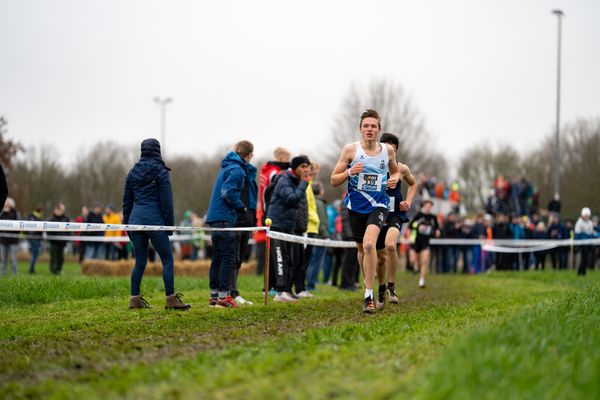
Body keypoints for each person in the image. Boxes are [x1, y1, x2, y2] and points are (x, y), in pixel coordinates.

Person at [330, 109, 400, 313]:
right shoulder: (350, 150)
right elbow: (334, 180)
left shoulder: (388, 151)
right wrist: (350, 171)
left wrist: (394, 178)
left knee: (370, 245)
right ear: (360, 129)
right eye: (366, 126)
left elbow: (395, 173)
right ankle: (368, 280)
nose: (369, 129)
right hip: (355, 208)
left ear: (379, 129)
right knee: (362, 250)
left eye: (373, 126)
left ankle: (368, 296)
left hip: (378, 206)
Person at [123, 138, 190, 310]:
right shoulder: (161, 172)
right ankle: (170, 299)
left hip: (135, 221)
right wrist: (169, 226)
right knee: (167, 260)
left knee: (139, 262)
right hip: (155, 221)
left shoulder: (131, 173)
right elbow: (167, 202)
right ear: (157, 151)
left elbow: (127, 203)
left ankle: (134, 299)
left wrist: (127, 226)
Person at [206, 140, 254, 308]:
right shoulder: (237, 170)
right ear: (249, 155)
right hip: (225, 217)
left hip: (215, 216)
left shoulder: (226, 166)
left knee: (218, 256)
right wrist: (241, 207)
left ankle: (214, 296)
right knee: (228, 257)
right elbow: (228, 193)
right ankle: (224, 297)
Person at [374, 132, 417, 310]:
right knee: (380, 258)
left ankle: (392, 288)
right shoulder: (374, 167)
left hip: (395, 214)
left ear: (396, 150)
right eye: (385, 148)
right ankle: (381, 288)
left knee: (391, 246)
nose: (389, 151)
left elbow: (413, 184)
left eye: (392, 148)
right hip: (376, 213)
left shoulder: (402, 168)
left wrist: (408, 201)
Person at [267, 155, 310, 302]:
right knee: (280, 258)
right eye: (302, 167)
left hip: (288, 225)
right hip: (277, 224)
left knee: (288, 259)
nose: (306, 170)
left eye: (307, 167)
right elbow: (291, 199)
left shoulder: (295, 180)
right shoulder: (284, 179)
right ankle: (280, 291)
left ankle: (286, 289)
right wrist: (304, 183)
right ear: (295, 168)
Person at [255, 147, 291, 278]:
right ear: (281, 157)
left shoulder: (267, 170)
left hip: (268, 212)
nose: (288, 161)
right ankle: (272, 284)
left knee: (272, 251)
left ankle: (271, 283)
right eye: (287, 158)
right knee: (275, 252)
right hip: (273, 213)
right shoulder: (274, 172)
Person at [230, 141, 258, 305]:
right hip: (236, 219)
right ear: (250, 155)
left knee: (239, 257)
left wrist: (253, 221)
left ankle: (233, 291)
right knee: (233, 258)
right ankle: (231, 292)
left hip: (247, 220)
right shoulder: (235, 170)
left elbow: (252, 199)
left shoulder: (249, 173)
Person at [408, 200, 440, 288]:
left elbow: (436, 227)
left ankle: (421, 280)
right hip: (416, 241)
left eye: (430, 206)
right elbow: (410, 226)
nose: (428, 208)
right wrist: (418, 226)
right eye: (427, 206)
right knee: (413, 261)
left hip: (426, 241)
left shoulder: (433, 217)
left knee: (425, 260)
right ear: (424, 206)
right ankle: (415, 266)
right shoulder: (418, 215)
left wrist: (437, 232)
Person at [47, 203, 69, 275]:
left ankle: (59, 270)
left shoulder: (65, 218)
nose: (61, 211)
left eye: (62, 210)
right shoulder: (51, 219)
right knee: (54, 258)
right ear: (56, 210)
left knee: (61, 258)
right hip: (54, 242)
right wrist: (51, 239)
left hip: (62, 242)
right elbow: (48, 231)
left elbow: (69, 230)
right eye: (60, 210)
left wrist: (66, 240)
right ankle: (53, 271)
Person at [0, 198, 21, 275]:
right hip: (2, 240)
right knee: (3, 258)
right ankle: (2, 273)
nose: (5, 205)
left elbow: (19, 226)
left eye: (7, 204)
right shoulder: (1, 213)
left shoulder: (16, 213)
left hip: (13, 240)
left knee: (13, 258)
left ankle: (14, 274)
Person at [574, 207, 594, 276]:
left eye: (588, 215)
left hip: (588, 243)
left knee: (585, 259)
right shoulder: (579, 222)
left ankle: (582, 272)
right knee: (583, 258)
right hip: (581, 244)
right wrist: (577, 245)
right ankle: (581, 272)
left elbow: (591, 234)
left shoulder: (590, 223)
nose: (587, 217)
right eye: (585, 215)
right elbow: (577, 234)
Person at [27, 205, 44, 274]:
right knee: (35, 254)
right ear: (40, 211)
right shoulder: (36, 218)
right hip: (35, 239)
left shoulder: (31, 216)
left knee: (34, 254)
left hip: (33, 238)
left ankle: (32, 268)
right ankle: (31, 269)